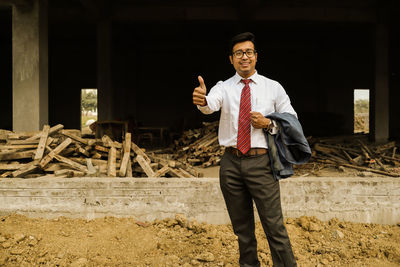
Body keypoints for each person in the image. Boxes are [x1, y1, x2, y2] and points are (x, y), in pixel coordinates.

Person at [192, 32, 298, 267]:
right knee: (242, 230)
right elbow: (211, 105)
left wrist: (269, 124)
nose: (244, 57)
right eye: (238, 53)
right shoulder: (224, 87)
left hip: (262, 163)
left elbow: (291, 118)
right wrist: (202, 101)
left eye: (248, 52)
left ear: (256, 57)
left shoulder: (273, 88)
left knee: (274, 226)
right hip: (230, 164)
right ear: (231, 59)